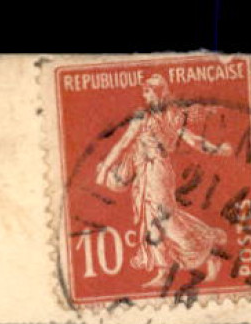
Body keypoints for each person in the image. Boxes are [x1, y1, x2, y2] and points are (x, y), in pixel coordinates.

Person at [94, 74, 234, 288]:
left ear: (159, 92)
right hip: (145, 174)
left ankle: (209, 251)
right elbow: (123, 144)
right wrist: (104, 167)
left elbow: (192, 139)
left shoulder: (172, 116)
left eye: (149, 91)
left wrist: (216, 149)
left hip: (158, 172)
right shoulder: (144, 117)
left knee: (166, 221)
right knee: (152, 222)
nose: (145, 96)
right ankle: (163, 272)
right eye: (144, 92)